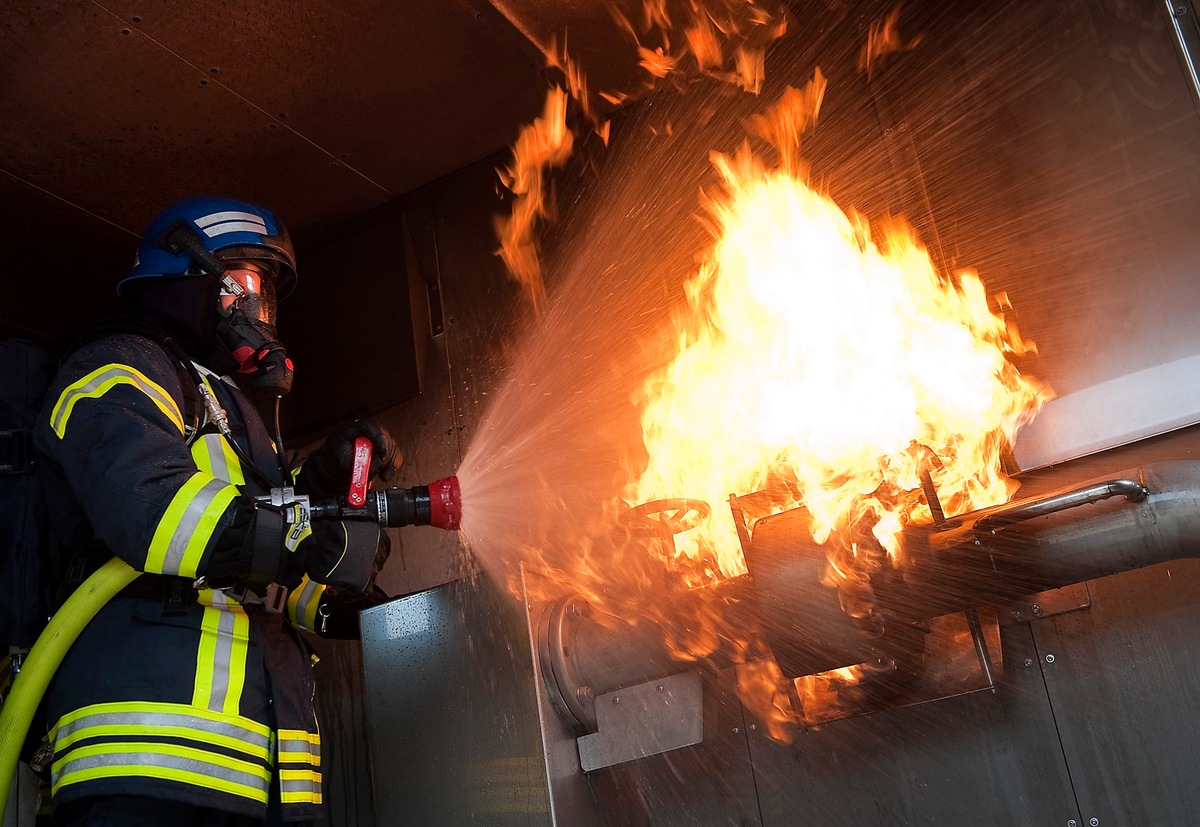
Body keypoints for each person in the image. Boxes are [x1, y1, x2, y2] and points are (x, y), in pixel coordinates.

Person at [32, 196, 398, 826]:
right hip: (149, 759)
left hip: (259, 779)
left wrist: (342, 570)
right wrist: (297, 535)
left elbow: (269, 565)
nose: (260, 310)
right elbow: (148, 505)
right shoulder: (120, 364)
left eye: (266, 294)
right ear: (193, 277)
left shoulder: (239, 416)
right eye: (246, 285)